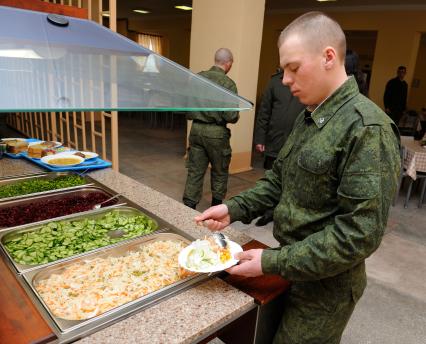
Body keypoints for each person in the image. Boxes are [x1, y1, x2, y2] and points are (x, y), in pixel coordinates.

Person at [195, 12, 400, 344]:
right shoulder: (310, 116)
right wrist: (234, 208)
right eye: (284, 70)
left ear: (328, 57)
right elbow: (279, 180)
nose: (286, 80)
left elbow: (358, 236)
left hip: (326, 288)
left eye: (293, 68)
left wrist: (272, 261)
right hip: (291, 265)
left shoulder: (366, 128)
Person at [182, 48, 239, 210]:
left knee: (195, 170)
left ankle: (188, 208)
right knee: (219, 170)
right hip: (216, 133)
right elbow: (231, 116)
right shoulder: (228, 84)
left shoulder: (196, 79)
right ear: (228, 63)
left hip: (196, 130)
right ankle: (216, 206)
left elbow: (187, 107)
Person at [253, 69, 304, 226]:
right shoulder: (275, 82)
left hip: (297, 141)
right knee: (270, 178)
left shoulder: (306, 81)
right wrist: (260, 138)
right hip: (274, 140)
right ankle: (269, 212)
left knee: (292, 180)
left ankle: (284, 214)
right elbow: (264, 112)